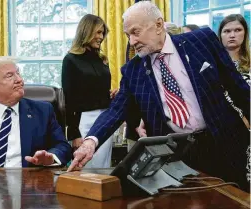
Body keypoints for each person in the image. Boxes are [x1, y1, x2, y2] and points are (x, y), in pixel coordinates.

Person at [68, 1, 250, 191]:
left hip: (224, 143)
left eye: (135, 32)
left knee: (235, 207)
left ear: (158, 25)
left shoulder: (202, 41)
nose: (131, 42)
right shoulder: (133, 71)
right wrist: (90, 141)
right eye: (127, 35)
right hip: (177, 156)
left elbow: (238, 88)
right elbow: (115, 111)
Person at [61, 14, 119, 168]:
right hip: (84, 121)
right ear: (86, 31)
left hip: (106, 118)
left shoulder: (102, 60)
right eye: (98, 32)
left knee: (103, 166)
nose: (101, 37)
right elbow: (69, 98)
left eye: (102, 33)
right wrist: (74, 134)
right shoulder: (71, 60)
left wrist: (110, 95)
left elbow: (97, 89)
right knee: (87, 169)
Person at [218, 14, 250, 129]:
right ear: (220, 35)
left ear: (245, 33)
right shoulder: (211, 66)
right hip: (222, 126)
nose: (232, 35)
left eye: (237, 30)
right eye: (226, 31)